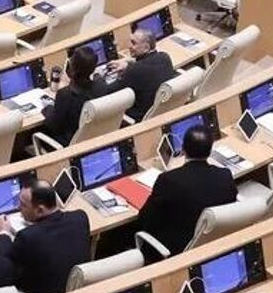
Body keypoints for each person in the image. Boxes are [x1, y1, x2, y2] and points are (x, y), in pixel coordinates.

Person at [134, 125, 238, 260]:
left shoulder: (168, 180)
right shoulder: (225, 175)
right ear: (210, 150)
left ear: (183, 149)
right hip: (212, 243)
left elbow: (144, 220)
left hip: (175, 251)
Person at [0, 182, 90, 293]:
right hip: (79, 287)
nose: (18, 207)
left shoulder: (27, 237)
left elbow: (3, 265)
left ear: (40, 210)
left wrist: (3, 232)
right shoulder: (80, 217)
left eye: (23, 204)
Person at [98, 28, 175, 121]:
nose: (129, 46)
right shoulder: (164, 57)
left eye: (133, 43)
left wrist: (98, 75)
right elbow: (147, 64)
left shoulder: (135, 70)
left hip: (137, 117)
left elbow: (107, 91)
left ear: (146, 47)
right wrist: (128, 62)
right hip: (162, 113)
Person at [39, 45, 99, 147]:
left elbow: (54, 126)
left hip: (68, 143)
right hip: (93, 137)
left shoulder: (65, 94)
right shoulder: (100, 85)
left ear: (71, 68)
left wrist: (47, 108)